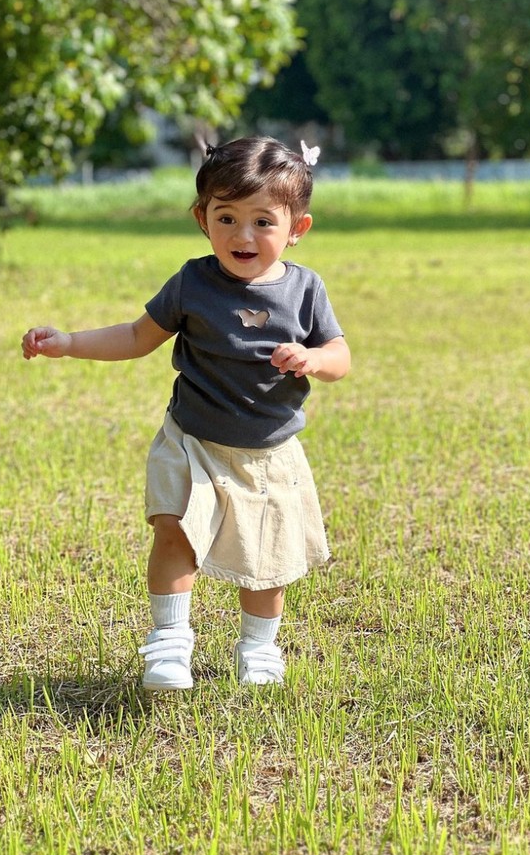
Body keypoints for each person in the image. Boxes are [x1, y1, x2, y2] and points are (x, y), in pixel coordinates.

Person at [21, 136, 351, 691]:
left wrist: (315, 358)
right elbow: (135, 335)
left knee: (266, 562)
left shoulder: (305, 290)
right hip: (192, 440)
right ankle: (169, 648)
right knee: (174, 533)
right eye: (226, 218)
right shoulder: (193, 283)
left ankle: (259, 649)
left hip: (266, 455)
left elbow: (341, 357)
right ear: (203, 218)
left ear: (297, 227)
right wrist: (69, 341)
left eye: (262, 222)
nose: (242, 236)